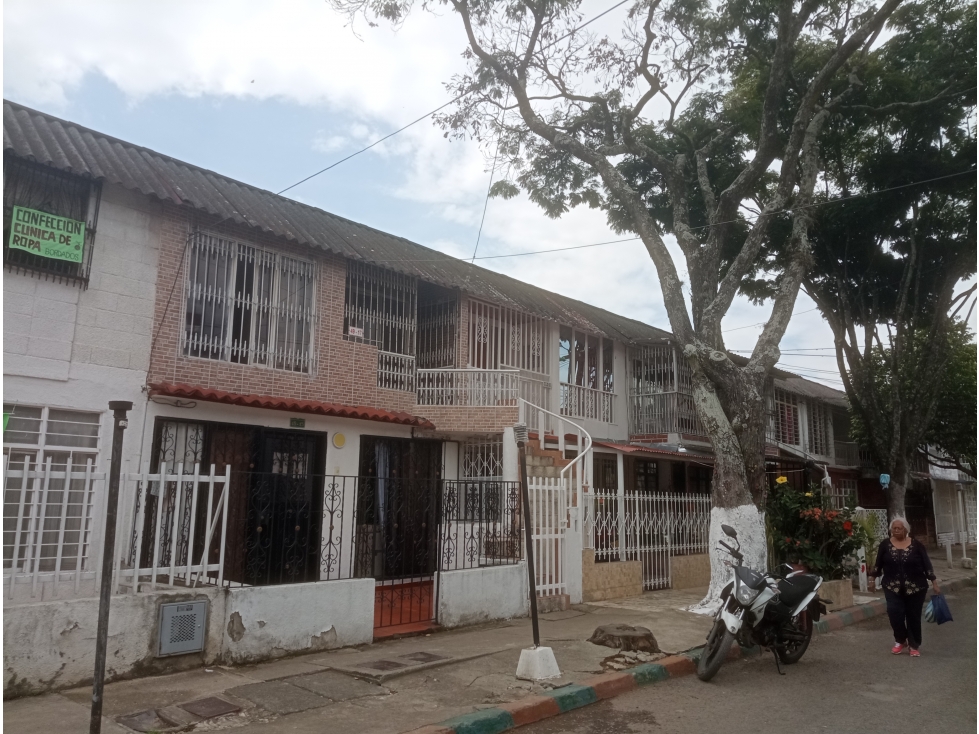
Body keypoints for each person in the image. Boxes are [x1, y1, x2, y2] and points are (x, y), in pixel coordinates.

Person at [868, 517, 940, 657]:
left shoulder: (917, 545)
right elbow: (878, 564)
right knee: (894, 612)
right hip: (891, 586)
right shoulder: (885, 545)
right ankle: (900, 640)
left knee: (913, 616)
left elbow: (927, 564)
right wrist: (872, 578)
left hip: (916, 587)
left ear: (905, 530)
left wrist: (934, 582)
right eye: (893, 528)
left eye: (898, 528)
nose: (895, 530)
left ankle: (914, 645)